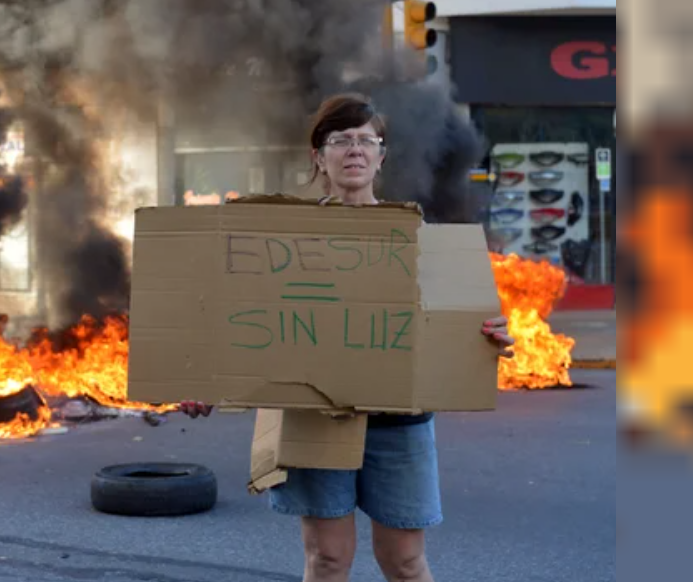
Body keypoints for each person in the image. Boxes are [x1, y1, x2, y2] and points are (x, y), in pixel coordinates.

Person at [179, 93, 515, 582]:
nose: (354, 149)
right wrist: (212, 380)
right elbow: (253, 319)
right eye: (340, 140)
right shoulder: (287, 238)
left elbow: (454, 325)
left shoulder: (418, 234)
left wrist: (487, 338)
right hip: (315, 415)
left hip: (400, 422)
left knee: (404, 562)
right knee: (328, 559)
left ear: (382, 156)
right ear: (319, 156)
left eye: (366, 139)